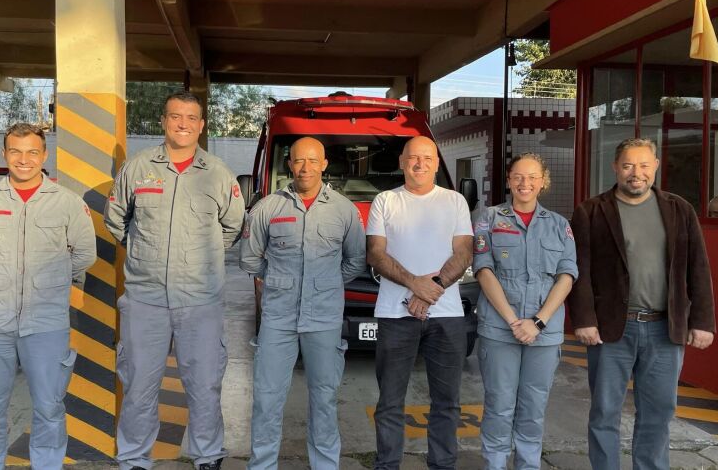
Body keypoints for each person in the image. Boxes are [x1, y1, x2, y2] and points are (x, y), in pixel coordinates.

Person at [105, 91, 245, 470]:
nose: (183, 124)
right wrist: (142, 253)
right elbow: (116, 219)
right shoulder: (137, 168)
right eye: (175, 116)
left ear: (201, 125)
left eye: (191, 118)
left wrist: (199, 261)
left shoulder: (218, 174)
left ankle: (207, 456)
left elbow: (232, 226)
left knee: (204, 386)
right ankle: (134, 458)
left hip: (200, 300)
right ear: (164, 121)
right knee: (138, 386)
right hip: (145, 299)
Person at [569, 137, 716, 470]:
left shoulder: (680, 209)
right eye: (628, 165)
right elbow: (579, 271)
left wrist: (703, 322)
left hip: (665, 329)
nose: (636, 173)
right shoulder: (591, 211)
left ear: (656, 166)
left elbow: (698, 267)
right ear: (615, 167)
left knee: (659, 412)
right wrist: (584, 319)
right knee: (605, 411)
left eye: (644, 165)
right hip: (609, 331)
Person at [0, 123, 97, 470]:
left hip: (46, 324)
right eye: (16, 151)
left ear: (44, 155)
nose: (24, 160)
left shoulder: (66, 203)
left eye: (32, 151)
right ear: (5, 154)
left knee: (49, 407)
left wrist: (50, 281)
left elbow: (84, 255)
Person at [239, 136, 366, 470]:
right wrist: (279, 279)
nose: (305, 167)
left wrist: (325, 283)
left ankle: (324, 465)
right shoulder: (268, 207)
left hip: (323, 319)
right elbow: (251, 260)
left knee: (323, 399)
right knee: (266, 400)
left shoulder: (344, 210)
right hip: (277, 320)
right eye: (298, 161)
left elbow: (355, 261)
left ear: (324, 164)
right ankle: (262, 465)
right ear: (289, 164)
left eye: (313, 161)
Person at [366, 136, 474, 470]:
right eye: (413, 157)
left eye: (427, 158)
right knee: (390, 402)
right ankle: (388, 465)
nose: (420, 164)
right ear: (402, 162)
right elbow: (375, 253)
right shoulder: (385, 200)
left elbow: (464, 252)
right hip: (394, 315)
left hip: (448, 316)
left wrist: (433, 288)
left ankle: (442, 465)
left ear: (436, 163)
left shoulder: (454, 201)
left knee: (447, 402)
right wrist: (414, 284)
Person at [472, 153, 577, 470]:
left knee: (533, 405)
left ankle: (528, 464)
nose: (525, 183)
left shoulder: (560, 225)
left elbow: (567, 276)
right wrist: (513, 321)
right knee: (499, 404)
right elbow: (483, 270)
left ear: (543, 181)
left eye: (532, 177)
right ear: (508, 179)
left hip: (543, 334)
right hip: (499, 329)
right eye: (518, 176)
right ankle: (495, 463)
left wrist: (538, 322)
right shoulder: (487, 218)